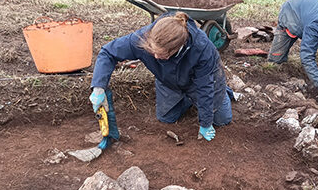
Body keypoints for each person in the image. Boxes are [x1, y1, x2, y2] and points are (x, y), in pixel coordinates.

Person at [89, 12, 232, 142]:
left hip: (202, 81)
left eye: (161, 55)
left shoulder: (202, 48)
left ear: (177, 48)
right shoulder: (143, 38)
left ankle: (223, 92)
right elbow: (108, 52)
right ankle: (188, 99)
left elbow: (205, 87)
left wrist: (205, 123)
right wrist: (98, 87)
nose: (156, 56)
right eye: (153, 51)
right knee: (166, 118)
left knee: (221, 120)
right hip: (169, 80)